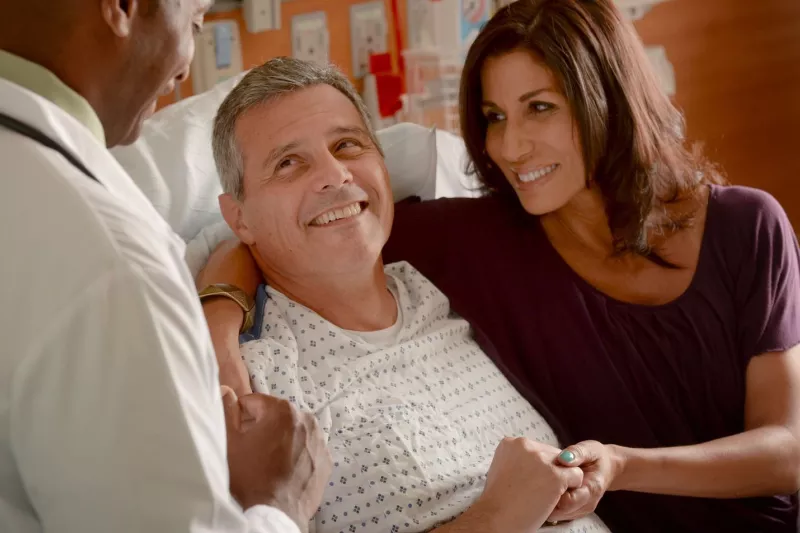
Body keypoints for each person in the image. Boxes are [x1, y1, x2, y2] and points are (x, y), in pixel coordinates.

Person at [202, 1, 800, 532]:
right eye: (493, 116)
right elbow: (287, 231)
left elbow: (790, 450)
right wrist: (218, 326)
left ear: (607, 100)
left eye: (539, 108)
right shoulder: (480, 240)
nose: (510, 147)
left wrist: (620, 466)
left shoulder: (744, 226)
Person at [209, 57, 611, 533]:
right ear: (239, 219)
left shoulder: (449, 275)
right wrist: (498, 518)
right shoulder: (257, 390)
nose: (335, 175)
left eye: (347, 144)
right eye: (288, 163)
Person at [0, 1, 331, 532]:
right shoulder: (109, 263)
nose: (185, 64)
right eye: (195, 21)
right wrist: (278, 501)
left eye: (348, 144)